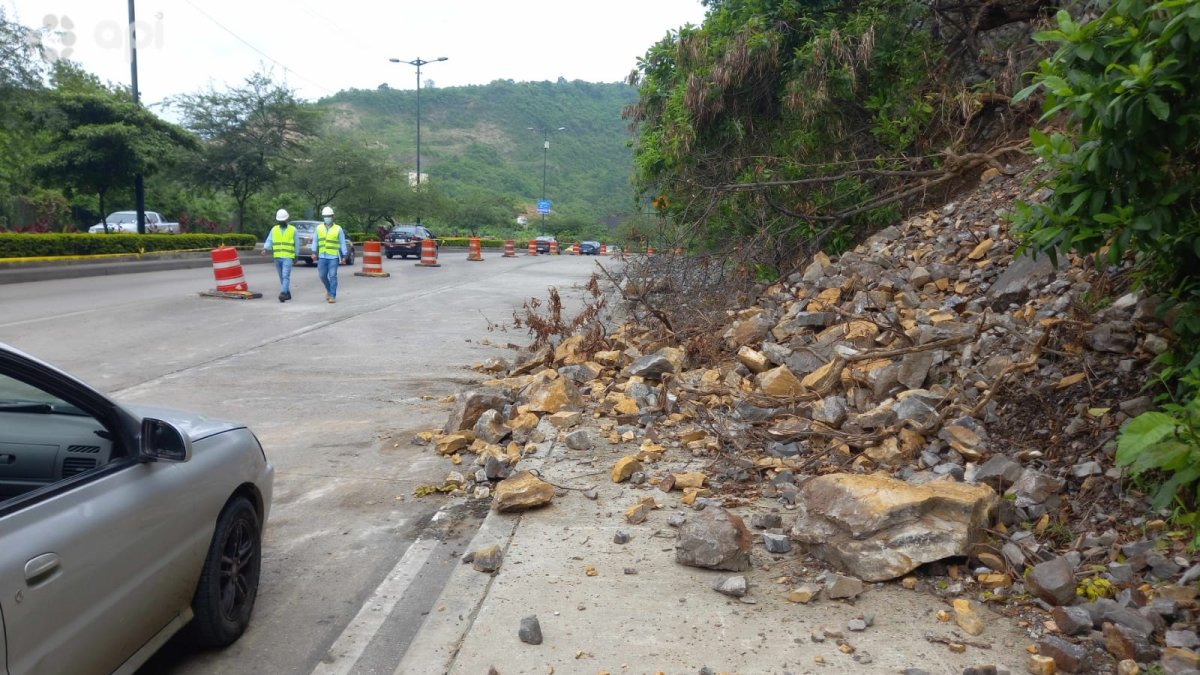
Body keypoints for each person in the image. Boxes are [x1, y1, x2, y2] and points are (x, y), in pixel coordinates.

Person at [261, 209, 300, 303]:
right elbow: (269, 240)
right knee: (281, 277)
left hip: (288, 257)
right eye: (280, 221)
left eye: (283, 221)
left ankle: (283, 293)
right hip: (277, 257)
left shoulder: (293, 230)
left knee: (285, 275)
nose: (282, 222)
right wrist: (264, 248)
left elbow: (297, 244)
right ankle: (287, 292)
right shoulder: (274, 229)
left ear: (287, 219)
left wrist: (296, 256)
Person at [314, 205, 348, 303]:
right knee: (322, 275)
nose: (327, 218)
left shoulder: (338, 229)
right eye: (325, 216)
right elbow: (315, 241)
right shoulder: (319, 228)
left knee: (333, 275)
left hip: (333, 256)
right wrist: (313, 252)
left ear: (333, 217)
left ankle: (332, 295)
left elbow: (342, 243)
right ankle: (329, 290)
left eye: (329, 216)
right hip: (322, 256)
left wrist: (344, 255)